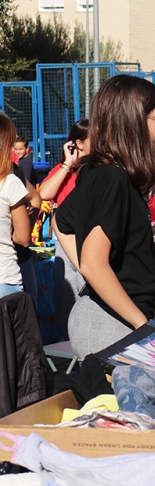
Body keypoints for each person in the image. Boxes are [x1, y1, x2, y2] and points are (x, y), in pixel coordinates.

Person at [53, 75, 155, 360]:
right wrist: (142, 325)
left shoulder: (104, 173)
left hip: (109, 319)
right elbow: (93, 263)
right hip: (112, 323)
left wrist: (91, 270)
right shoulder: (112, 177)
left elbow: (60, 221)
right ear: (134, 121)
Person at [39, 118, 90, 340]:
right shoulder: (65, 170)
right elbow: (45, 193)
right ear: (78, 144)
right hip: (66, 241)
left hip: (90, 240)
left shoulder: (101, 170)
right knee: (66, 295)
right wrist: (68, 164)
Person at [0, 115, 37, 299]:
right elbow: (23, 238)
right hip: (5, 279)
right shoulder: (10, 181)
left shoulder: (15, 175)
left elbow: (35, 200)